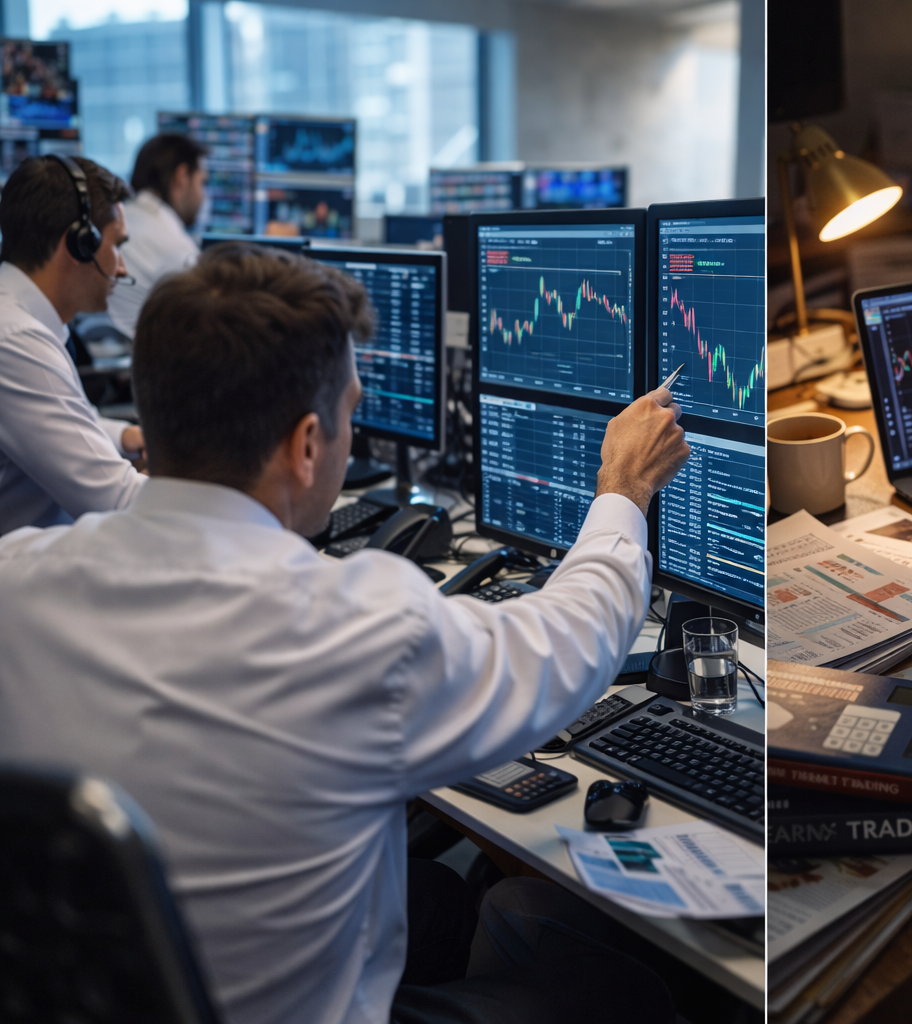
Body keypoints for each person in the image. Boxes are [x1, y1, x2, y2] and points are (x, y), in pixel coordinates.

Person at [0, 243, 693, 1024]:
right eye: (349, 414)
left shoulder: (13, 577)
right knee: (625, 993)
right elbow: (570, 642)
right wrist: (624, 490)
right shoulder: (351, 628)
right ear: (304, 446)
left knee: (431, 894)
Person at [0, 154, 145, 535]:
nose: (123, 267)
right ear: (80, 245)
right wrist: (235, 493)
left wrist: (126, 437)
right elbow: (116, 500)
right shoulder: (16, 341)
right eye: (117, 245)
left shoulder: (19, 322)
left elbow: (66, 417)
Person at [107, 132, 207, 339]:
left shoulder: (123, 216)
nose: (203, 196)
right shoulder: (174, 244)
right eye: (201, 183)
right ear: (181, 177)